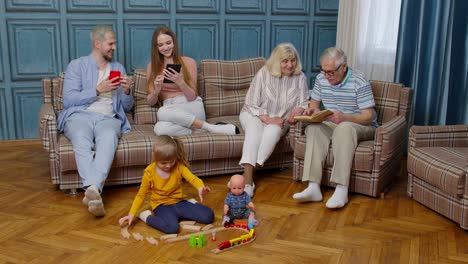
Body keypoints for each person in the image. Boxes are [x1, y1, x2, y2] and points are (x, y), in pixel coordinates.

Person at [57, 25, 134, 217]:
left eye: (114, 43)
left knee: (108, 140)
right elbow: (69, 100)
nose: (114, 47)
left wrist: (126, 91)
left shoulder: (118, 68)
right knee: (81, 138)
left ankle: (92, 190)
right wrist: (98, 89)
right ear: (97, 44)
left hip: (108, 117)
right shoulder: (77, 65)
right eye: (111, 43)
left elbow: (126, 107)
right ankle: (95, 190)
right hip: (80, 115)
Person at [292, 47, 377, 209]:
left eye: (330, 72)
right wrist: (313, 112)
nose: (327, 76)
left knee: (344, 128)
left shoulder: (359, 81)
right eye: (324, 71)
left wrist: (345, 117)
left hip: (359, 125)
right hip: (333, 123)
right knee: (314, 129)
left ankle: (341, 190)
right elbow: (315, 106)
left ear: (343, 67)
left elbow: (368, 116)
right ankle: (313, 187)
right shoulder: (321, 79)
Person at [237, 42, 309, 197]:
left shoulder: (300, 77)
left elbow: (304, 102)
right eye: (285, 61)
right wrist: (267, 118)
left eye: (293, 60)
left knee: (272, 134)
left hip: (280, 121)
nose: (290, 65)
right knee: (254, 132)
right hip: (253, 114)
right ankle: (248, 181)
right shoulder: (264, 72)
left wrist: (299, 109)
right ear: (277, 62)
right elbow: (251, 102)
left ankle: (244, 176)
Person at [146, 26, 238, 136]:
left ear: (174, 42)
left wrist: (181, 82)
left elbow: (192, 97)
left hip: (190, 105)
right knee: (159, 129)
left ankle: (205, 127)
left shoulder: (189, 62)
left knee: (161, 112)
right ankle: (208, 128)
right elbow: (150, 102)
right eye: (160, 45)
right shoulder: (152, 67)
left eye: (168, 43)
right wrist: (156, 91)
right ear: (155, 47)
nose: (165, 47)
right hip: (170, 110)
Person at [118, 135, 214, 234]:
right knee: (172, 229)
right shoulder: (149, 172)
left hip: (179, 202)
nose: (168, 166)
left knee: (209, 216)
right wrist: (131, 213)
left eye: (171, 161)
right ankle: (146, 216)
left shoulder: (178, 167)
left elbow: (192, 178)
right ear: (155, 157)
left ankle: (190, 204)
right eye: (163, 163)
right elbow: (141, 195)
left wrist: (200, 187)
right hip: (161, 206)